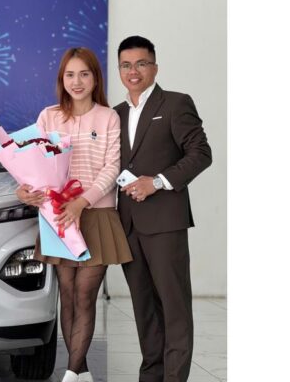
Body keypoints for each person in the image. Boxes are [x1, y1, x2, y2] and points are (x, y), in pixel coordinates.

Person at [16, 47, 132, 382]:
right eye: (70, 75)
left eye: (84, 74)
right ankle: (79, 371)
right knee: (66, 294)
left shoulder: (108, 117)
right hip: (58, 216)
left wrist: (83, 202)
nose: (77, 81)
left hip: (97, 214)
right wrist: (23, 190)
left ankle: (69, 373)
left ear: (95, 78)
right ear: (61, 79)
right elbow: (32, 163)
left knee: (85, 293)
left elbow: (112, 166)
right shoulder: (48, 116)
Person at [113, 35, 212, 382]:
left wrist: (156, 181)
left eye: (141, 63)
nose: (134, 71)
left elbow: (201, 154)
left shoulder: (175, 103)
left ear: (155, 67)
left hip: (165, 222)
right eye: (126, 65)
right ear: (119, 70)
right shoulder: (115, 114)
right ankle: (151, 376)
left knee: (174, 308)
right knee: (144, 310)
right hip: (128, 225)